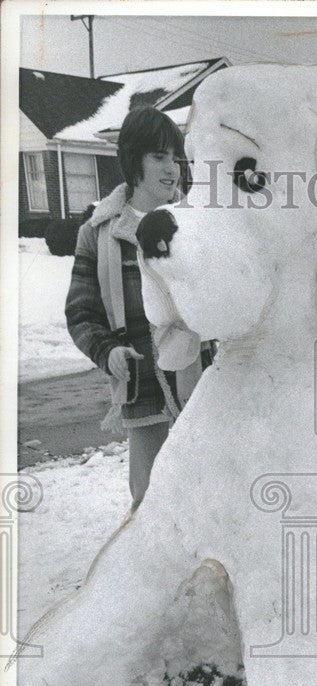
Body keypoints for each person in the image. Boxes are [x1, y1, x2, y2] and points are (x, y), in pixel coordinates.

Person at [66, 105, 214, 509]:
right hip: (142, 384)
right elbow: (81, 313)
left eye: (176, 158)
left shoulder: (198, 224)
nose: (173, 169)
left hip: (200, 381)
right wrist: (107, 350)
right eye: (159, 157)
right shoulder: (99, 234)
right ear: (133, 161)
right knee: (148, 498)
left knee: (208, 490)